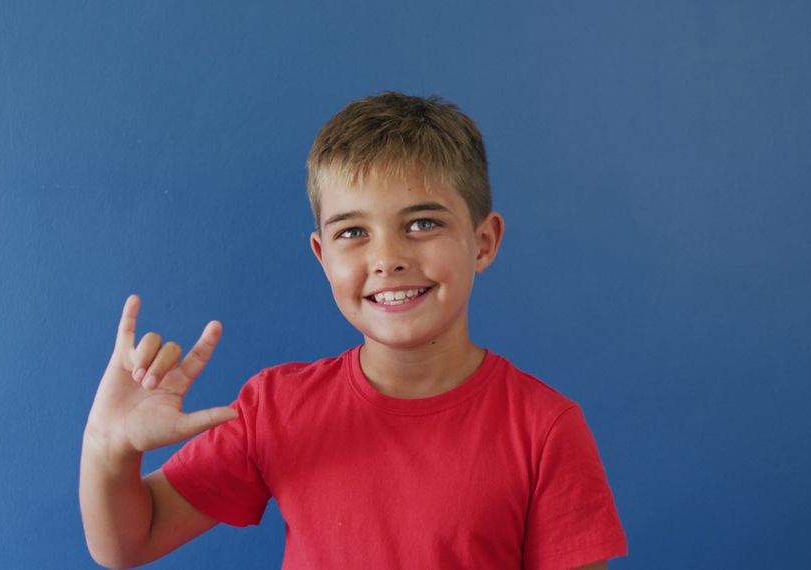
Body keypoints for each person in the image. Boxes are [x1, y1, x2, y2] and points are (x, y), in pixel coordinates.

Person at [80, 92, 628, 569]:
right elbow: (130, 543)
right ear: (322, 255)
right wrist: (109, 448)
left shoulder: (546, 430)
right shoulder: (277, 409)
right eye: (353, 232)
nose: (387, 258)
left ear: (483, 242)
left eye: (422, 223)